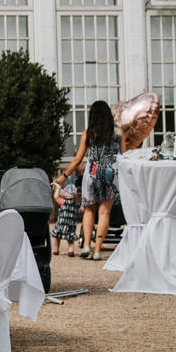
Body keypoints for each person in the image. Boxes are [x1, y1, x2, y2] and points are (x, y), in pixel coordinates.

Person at [59, 100, 121, 261]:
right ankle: (98, 250)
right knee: (104, 212)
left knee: (89, 209)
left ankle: (87, 245)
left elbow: (77, 159)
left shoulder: (88, 133)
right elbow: (125, 156)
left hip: (92, 173)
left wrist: (64, 176)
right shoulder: (119, 133)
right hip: (110, 174)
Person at [50, 156, 84, 255]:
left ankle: (56, 250)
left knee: (57, 237)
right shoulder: (76, 204)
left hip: (61, 223)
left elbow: (56, 196)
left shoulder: (63, 202)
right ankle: (70, 250)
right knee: (70, 239)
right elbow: (83, 209)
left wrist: (58, 188)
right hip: (71, 225)